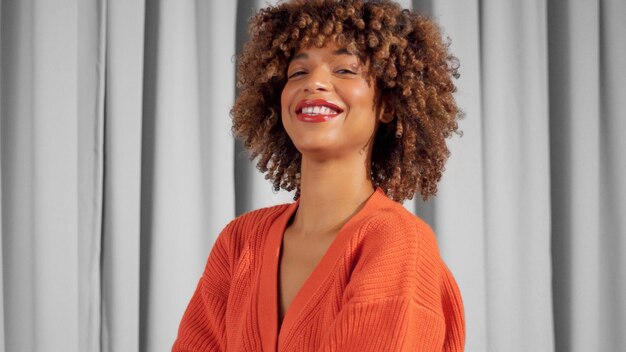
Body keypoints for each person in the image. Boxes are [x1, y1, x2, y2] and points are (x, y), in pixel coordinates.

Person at [173, 0, 464, 350]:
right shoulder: (240, 243)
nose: (315, 83)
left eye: (344, 70)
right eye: (298, 72)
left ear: (387, 105)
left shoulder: (398, 242)